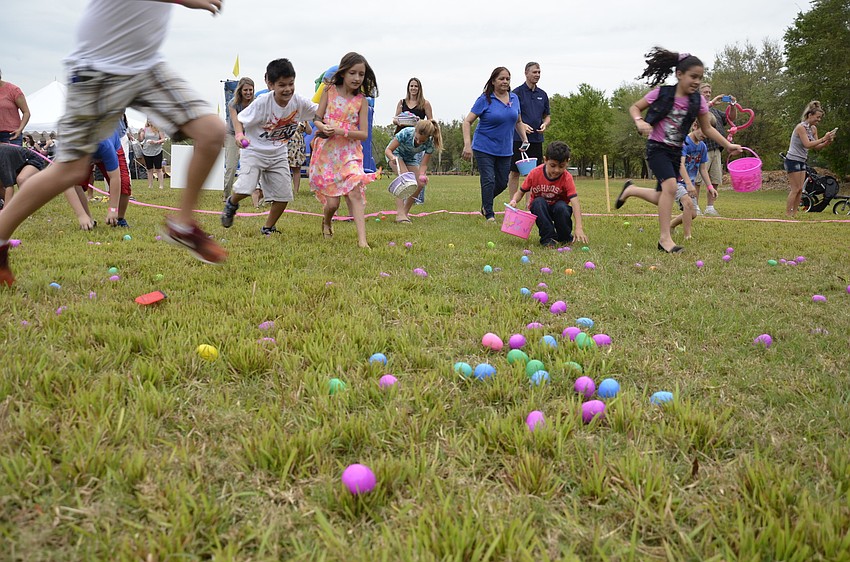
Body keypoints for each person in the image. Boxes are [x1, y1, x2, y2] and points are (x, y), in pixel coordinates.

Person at [0, 0, 228, 288]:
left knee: (212, 131)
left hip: (146, 67)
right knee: (69, 171)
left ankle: (183, 226)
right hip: (97, 68)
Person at [623, 48, 741, 254]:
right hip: (657, 147)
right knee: (670, 188)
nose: (697, 81)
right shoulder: (662, 93)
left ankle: (630, 190)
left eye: (700, 78)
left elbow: (707, 128)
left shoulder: (698, 102)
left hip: (675, 151)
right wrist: (639, 121)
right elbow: (635, 107)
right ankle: (665, 239)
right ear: (679, 74)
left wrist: (728, 145)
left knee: (662, 195)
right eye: (693, 76)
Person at [220, 58, 317, 235]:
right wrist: (240, 135)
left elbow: (319, 112)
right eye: (282, 85)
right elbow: (240, 120)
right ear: (271, 84)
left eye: (291, 84)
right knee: (246, 189)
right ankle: (232, 202)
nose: (287, 89)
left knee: (284, 196)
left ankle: (268, 227)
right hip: (254, 152)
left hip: (278, 153)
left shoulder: (299, 102)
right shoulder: (262, 103)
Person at [310, 52, 378, 248]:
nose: (357, 78)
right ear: (343, 72)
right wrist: (322, 127)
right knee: (332, 204)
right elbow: (317, 118)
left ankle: (362, 241)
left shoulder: (362, 101)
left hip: (349, 153)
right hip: (327, 152)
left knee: (355, 192)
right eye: (352, 73)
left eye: (361, 74)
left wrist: (341, 131)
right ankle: (327, 220)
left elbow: (364, 133)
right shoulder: (328, 91)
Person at [617, 117, 717, 240]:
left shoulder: (702, 147)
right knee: (687, 203)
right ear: (695, 126)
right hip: (675, 179)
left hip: (687, 182)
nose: (706, 136)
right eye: (704, 131)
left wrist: (710, 187)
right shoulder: (683, 142)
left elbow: (702, 169)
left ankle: (632, 190)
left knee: (692, 213)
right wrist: (688, 184)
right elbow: (680, 164)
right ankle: (687, 236)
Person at [461, 67, 530, 222]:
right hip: (484, 146)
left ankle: (486, 202)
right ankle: (489, 213)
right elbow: (467, 121)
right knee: (488, 180)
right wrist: (467, 144)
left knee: (502, 182)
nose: (505, 82)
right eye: (501, 79)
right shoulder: (485, 99)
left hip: (505, 149)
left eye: (507, 79)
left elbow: (518, 122)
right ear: (493, 81)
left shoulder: (514, 99)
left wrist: (524, 139)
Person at [507, 141, 587, 247]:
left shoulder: (567, 178)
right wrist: (514, 200)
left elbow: (575, 202)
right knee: (537, 202)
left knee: (562, 207)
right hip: (541, 209)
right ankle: (548, 238)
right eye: (552, 165)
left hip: (558, 209)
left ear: (568, 162)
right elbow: (521, 192)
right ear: (545, 160)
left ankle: (564, 238)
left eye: (561, 166)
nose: (556, 170)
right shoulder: (535, 173)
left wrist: (579, 227)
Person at [384, 119, 442, 223]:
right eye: (417, 139)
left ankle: (405, 213)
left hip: (410, 159)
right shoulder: (406, 133)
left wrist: (422, 175)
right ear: (415, 131)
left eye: (422, 141)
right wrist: (392, 157)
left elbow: (423, 164)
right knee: (405, 179)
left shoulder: (429, 144)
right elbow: (388, 150)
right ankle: (400, 214)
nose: (419, 142)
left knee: (420, 183)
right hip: (395, 155)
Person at [784, 100, 836, 217]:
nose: (819, 120)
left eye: (820, 118)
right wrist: (823, 138)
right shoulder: (800, 127)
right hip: (792, 160)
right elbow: (807, 144)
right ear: (810, 115)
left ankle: (795, 213)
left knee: (800, 189)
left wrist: (827, 141)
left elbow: (817, 146)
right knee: (795, 188)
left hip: (802, 160)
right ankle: (788, 214)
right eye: (817, 117)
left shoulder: (813, 129)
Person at [508, 62, 550, 201]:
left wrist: (545, 124)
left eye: (539, 72)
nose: (537, 75)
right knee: (514, 172)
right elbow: (511, 114)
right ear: (526, 73)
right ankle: (512, 203)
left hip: (536, 140)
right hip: (519, 139)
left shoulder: (543, 94)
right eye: (534, 72)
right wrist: (522, 125)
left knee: (534, 174)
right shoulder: (516, 93)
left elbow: (547, 116)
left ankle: (529, 205)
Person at [695, 83, 737, 216]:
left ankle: (710, 207)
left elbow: (730, 118)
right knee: (697, 180)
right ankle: (695, 206)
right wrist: (712, 102)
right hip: (701, 149)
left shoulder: (715, 111)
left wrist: (733, 105)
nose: (708, 94)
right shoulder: (697, 107)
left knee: (715, 179)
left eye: (709, 92)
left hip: (716, 150)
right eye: (705, 92)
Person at [392, 77, 433, 204]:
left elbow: (431, 120)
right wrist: (398, 121)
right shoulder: (401, 102)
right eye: (411, 86)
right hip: (402, 138)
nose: (413, 88)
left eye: (416, 86)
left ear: (419, 88)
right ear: (408, 88)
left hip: (419, 140)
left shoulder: (424, 103)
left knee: (419, 171)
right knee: (404, 174)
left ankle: (418, 199)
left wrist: (419, 122)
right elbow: (395, 118)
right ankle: (405, 198)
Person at [224, 76, 254, 200]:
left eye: (250, 90)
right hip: (232, 134)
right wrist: (239, 136)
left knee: (255, 164)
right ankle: (226, 195)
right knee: (231, 165)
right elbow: (237, 123)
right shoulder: (233, 104)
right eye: (245, 90)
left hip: (251, 134)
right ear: (240, 90)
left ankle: (258, 194)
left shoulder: (256, 102)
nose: (248, 93)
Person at [0, 144, 45, 210]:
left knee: (21, 179)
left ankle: (25, 208)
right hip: (18, 165)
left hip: (32, 160)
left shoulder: (3, 156)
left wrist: (5, 211)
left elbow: (9, 186)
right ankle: (12, 205)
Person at [0, 70, 31, 146]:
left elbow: (26, 113)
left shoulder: (13, 90)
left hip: (11, 135)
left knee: (12, 157)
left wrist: (20, 129)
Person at [139, 118, 166, 189]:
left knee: (158, 169)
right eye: (148, 119)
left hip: (157, 151)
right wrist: (140, 133)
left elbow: (163, 139)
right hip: (147, 151)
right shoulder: (145, 129)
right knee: (149, 169)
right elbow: (141, 139)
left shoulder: (159, 128)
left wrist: (156, 142)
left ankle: (161, 185)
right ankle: (150, 185)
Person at [288, 121, 311, 195]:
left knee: (297, 168)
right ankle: (286, 189)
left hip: (298, 146)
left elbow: (309, 132)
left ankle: (295, 191)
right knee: (285, 168)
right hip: (287, 144)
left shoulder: (302, 118)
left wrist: (306, 122)